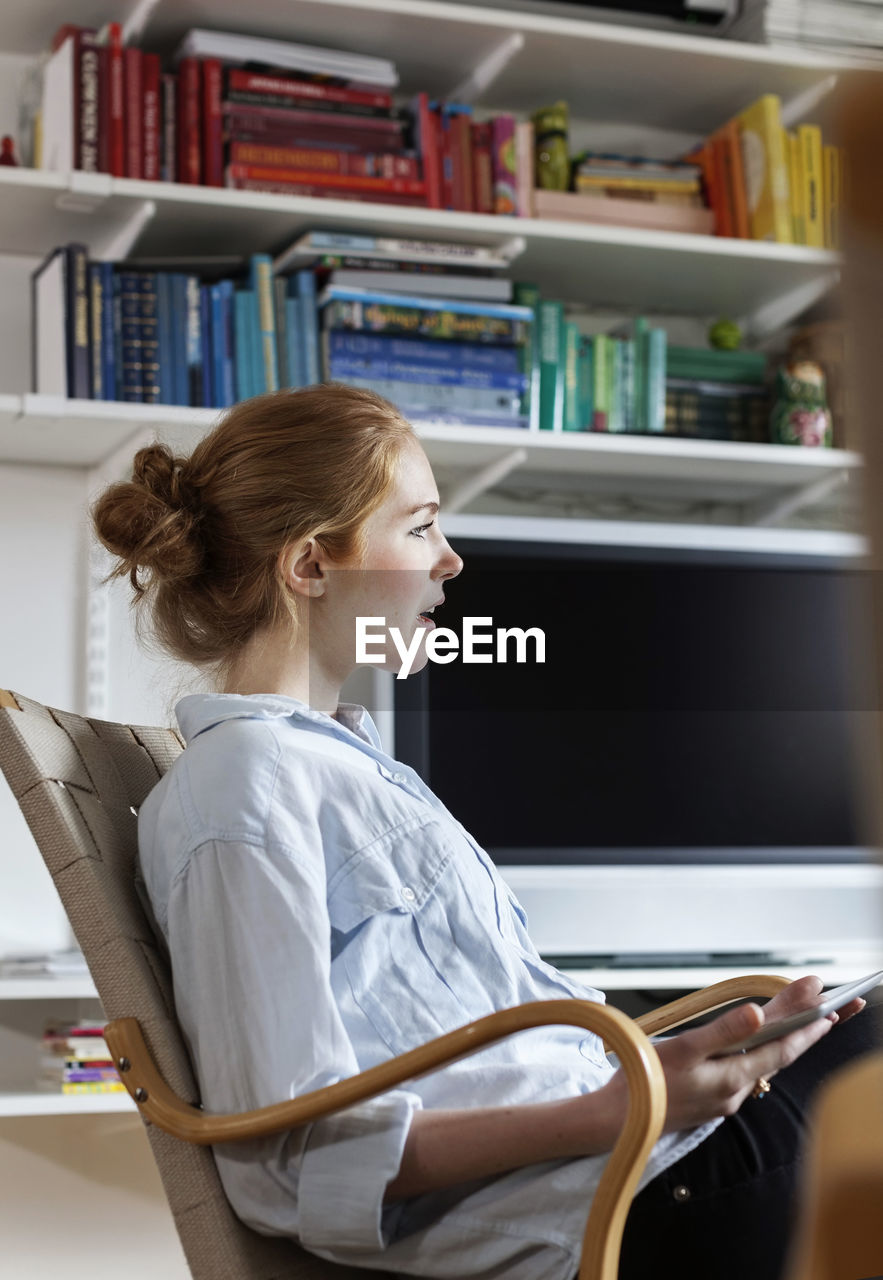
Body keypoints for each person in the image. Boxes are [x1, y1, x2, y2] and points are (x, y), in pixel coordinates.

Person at [92, 384, 874, 1280]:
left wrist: (683, 1064)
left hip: (645, 1156)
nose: (452, 561)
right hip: (632, 1204)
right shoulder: (242, 788)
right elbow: (283, 1164)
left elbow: (490, 1053)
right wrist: (623, 1108)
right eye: (420, 527)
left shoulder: (344, 767)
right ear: (311, 566)